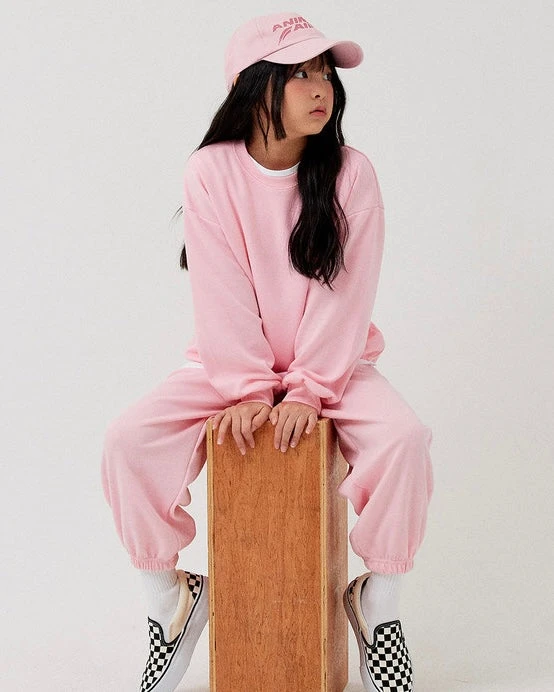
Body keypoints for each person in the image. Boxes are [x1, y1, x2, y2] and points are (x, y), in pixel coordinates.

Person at [101, 11, 434, 692]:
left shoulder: (351, 173)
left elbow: (346, 295)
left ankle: (379, 604)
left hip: (335, 365)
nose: (321, 89)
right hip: (226, 365)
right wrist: (250, 390)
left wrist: (308, 388)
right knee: (127, 441)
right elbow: (220, 290)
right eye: (301, 75)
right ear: (252, 87)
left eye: (326, 75)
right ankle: (170, 600)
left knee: (405, 440)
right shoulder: (210, 171)